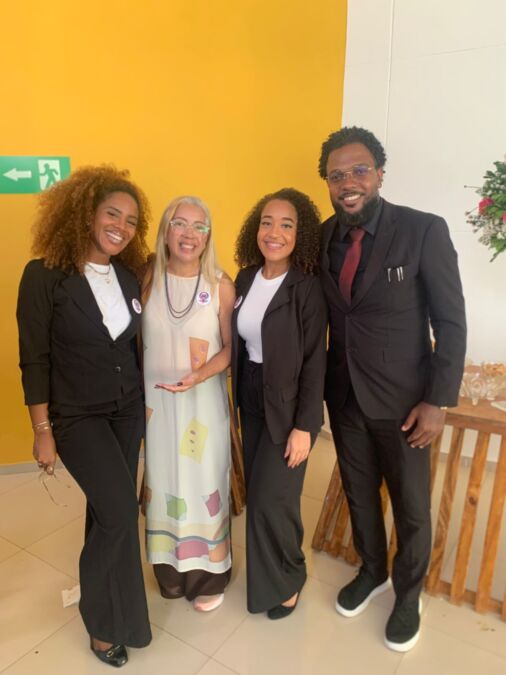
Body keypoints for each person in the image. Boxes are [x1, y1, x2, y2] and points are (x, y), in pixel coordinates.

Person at [318, 126, 467, 651]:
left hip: (406, 402)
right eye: (336, 175)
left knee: (411, 506)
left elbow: (451, 321)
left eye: (359, 170)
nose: (348, 182)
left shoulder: (423, 230)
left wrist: (437, 400)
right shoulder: (323, 236)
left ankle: (409, 593)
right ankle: (372, 569)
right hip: (345, 397)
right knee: (359, 495)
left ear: (380, 174)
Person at [16, 166, 152, 667]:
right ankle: (99, 622)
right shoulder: (44, 274)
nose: (121, 227)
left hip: (126, 412)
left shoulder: (126, 276)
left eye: (131, 221)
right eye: (112, 214)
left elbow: (132, 346)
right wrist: (42, 430)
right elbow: (34, 359)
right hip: (76, 417)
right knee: (119, 514)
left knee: (107, 513)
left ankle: (124, 620)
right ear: (86, 214)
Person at [231, 188, 327, 619]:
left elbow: (315, 360)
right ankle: (275, 577)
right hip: (251, 397)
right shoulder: (246, 278)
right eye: (267, 222)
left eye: (287, 225)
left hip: (288, 408)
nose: (274, 232)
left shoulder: (307, 286)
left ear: (299, 234)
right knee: (260, 496)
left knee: (274, 500)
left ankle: (289, 578)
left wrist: (305, 426)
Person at [142, 196, 235, 613]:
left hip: (202, 406)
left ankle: (209, 575)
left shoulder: (220, 285)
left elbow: (231, 348)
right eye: (180, 223)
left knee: (203, 480)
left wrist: (199, 375)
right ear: (166, 230)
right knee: (163, 481)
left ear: (208, 236)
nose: (189, 234)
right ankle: (170, 574)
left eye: (200, 226)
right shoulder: (148, 277)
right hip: (157, 409)